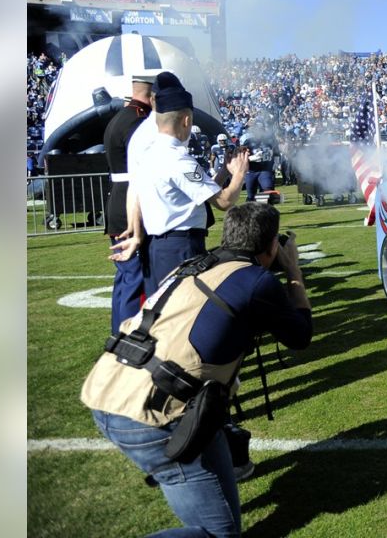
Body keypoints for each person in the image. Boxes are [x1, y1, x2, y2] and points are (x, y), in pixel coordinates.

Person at [82, 202, 313, 537]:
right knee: (218, 536)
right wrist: (293, 273)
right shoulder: (256, 281)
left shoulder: (193, 264)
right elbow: (300, 335)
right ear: (271, 244)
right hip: (151, 417)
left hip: (110, 387)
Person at [116, 72, 249, 297]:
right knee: (185, 314)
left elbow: (201, 192)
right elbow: (224, 201)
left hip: (157, 247)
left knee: (160, 315)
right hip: (181, 246)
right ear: (186, 120)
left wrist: (225, 171)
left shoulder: (149, 154)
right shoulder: (178, 159)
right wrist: (240, 173)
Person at [102, 68, 158, 334]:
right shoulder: (139, 121)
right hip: (131, 203)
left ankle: (117, 334)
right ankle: (128, 338)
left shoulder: (120, 118)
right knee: (135, 279)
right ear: (153, 93)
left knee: (125, 278)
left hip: (118, 199)